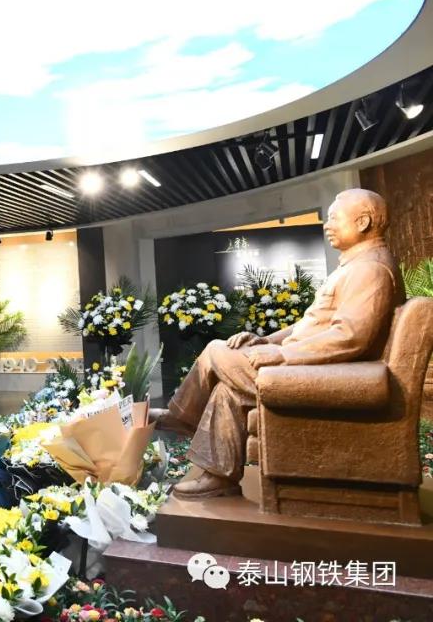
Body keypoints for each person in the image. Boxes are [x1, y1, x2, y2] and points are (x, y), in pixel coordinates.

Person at [151, 189, 403, 500]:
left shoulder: (370, 269)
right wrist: (267, 340)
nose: (327, 225)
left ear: (362, 222)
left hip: (323, 374)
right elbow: (312, 325)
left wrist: (282, 355)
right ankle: (219, 476)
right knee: (226, 390)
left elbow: (350, 337)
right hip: (312, 366)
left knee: (216, 349)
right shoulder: (356, 265)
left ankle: (180, 417)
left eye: (334, 218)